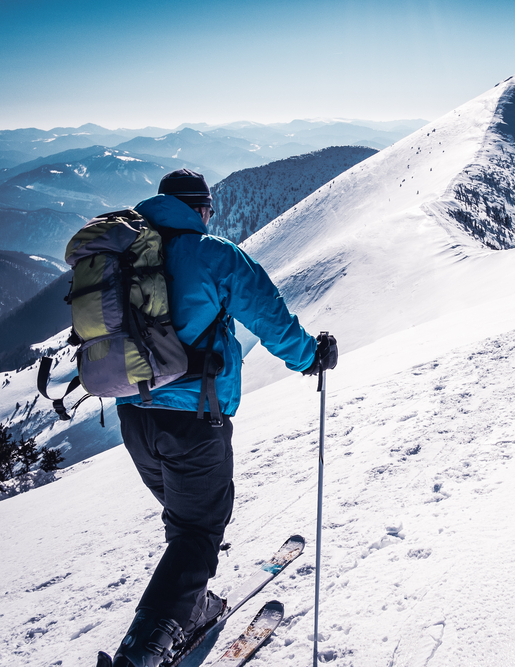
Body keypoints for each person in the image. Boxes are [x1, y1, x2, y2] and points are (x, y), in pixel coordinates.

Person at [106, 169, 337, 667]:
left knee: (185, 522)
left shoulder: (123, 255)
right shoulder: (212, 254)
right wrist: (310, 357)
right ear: (199, 209)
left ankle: (187, 610)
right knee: (198, 532)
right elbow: (269, 315)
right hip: (193, 419)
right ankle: (140, 655)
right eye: (208, 209)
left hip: (133, 417)